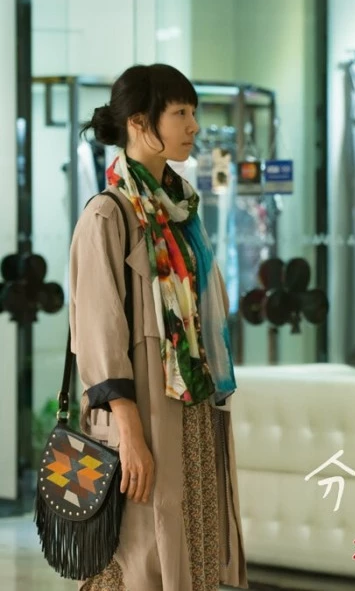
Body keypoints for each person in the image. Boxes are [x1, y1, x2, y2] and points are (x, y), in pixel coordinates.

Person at [70, 64, 248, 591]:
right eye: (180, 113)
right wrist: (130, 435)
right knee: (138, 556)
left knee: (193, 549)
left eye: (193, 112)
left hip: (192, 410)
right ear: (140, 123)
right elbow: (98, 334)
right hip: (140, 418)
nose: (194, 125)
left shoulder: (180, 211)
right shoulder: (108, 215)